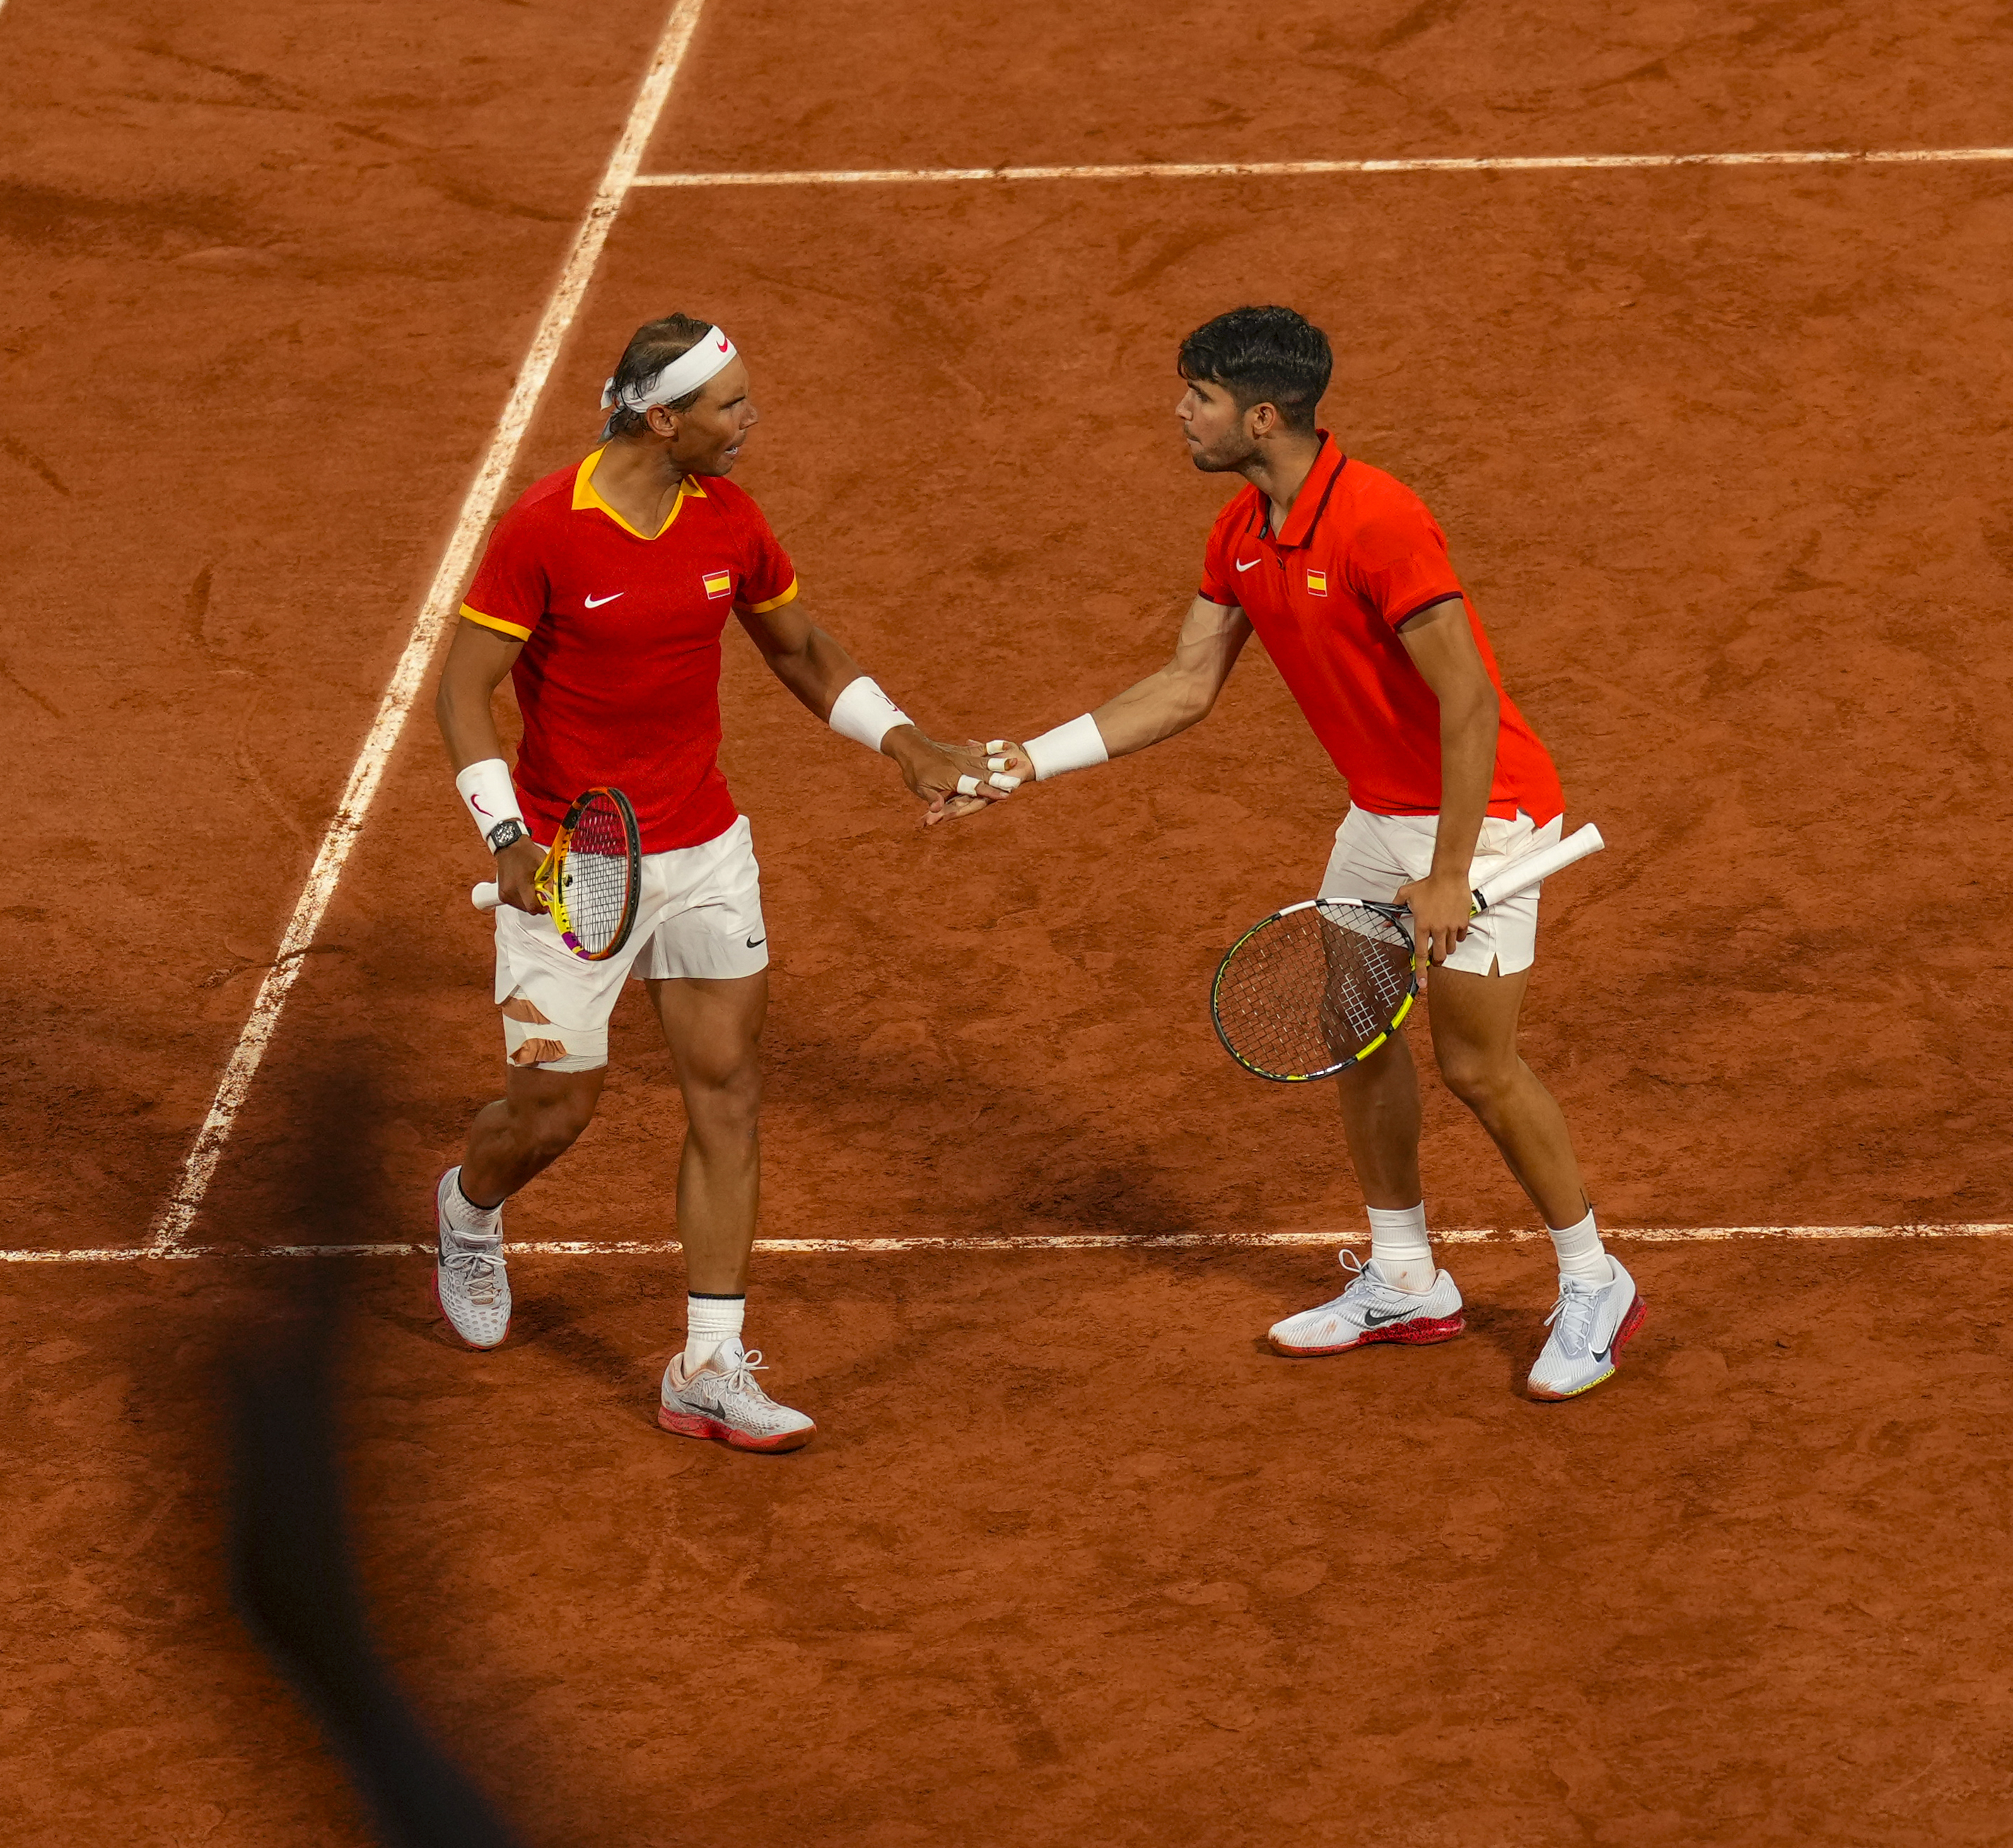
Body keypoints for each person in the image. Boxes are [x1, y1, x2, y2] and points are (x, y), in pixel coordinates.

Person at [973, 305, 1645, 1400]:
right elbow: (1186, 685)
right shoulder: (1241, 529)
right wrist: (1026, 763)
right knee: (1355, 1029)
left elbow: (1469, 705)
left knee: (1477, 1063)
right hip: (1380, 814)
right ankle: (1405, 1277)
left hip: (1490, 813)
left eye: (1198, 398)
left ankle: (1593, 1277)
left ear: (1264, 414)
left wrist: (1449, 871)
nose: (1181, 414)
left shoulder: (1380, 522)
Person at [432, 314, 1002, 1451]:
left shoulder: (727, 521)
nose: (749, 423)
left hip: (701, 851)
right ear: (662, 417)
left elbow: (798, 648)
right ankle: (467, 1207)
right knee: (555, 1110)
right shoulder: (547, 529)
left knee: (727, 1090)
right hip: (571, 868)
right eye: (729, 406)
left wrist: (906, 742)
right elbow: (462, 691)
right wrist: (505, 839)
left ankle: (705, 1361)